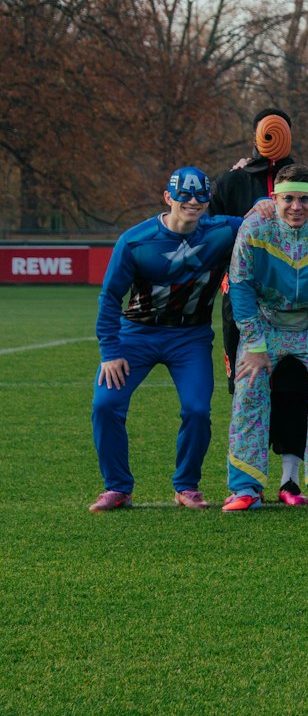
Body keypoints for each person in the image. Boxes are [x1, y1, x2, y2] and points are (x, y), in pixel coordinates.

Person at [89, 168, 243, 511]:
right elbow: (110, 297)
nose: (193, 202)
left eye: (201, 195)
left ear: (209, 200)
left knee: (197, 409)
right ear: (168, 197)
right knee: (105, 405)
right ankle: (117, 487)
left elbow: (264, 210)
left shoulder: (222, 230)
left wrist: (257, 190)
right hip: (136, 334)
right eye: (184, 195)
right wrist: (110, 351)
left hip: (190, 337)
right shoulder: (135, 240)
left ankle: (187, 485)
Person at [211, 107, 308, 500]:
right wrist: (246, 218)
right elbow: (212, 230)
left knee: (295, 387)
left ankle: (290, 479)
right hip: (246, 303)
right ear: (255, 134)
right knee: (248, 383)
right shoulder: (232, 180)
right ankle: (248, 482)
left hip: (302, 308)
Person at [222, 165, 308, 511]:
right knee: (249, 388)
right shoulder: (254, 227)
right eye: (288, 198)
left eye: (304, 199)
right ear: (275, 198)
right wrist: (255, 346)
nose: (296, 206)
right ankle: (245, 488)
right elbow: (241, 287)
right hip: (265, 324)